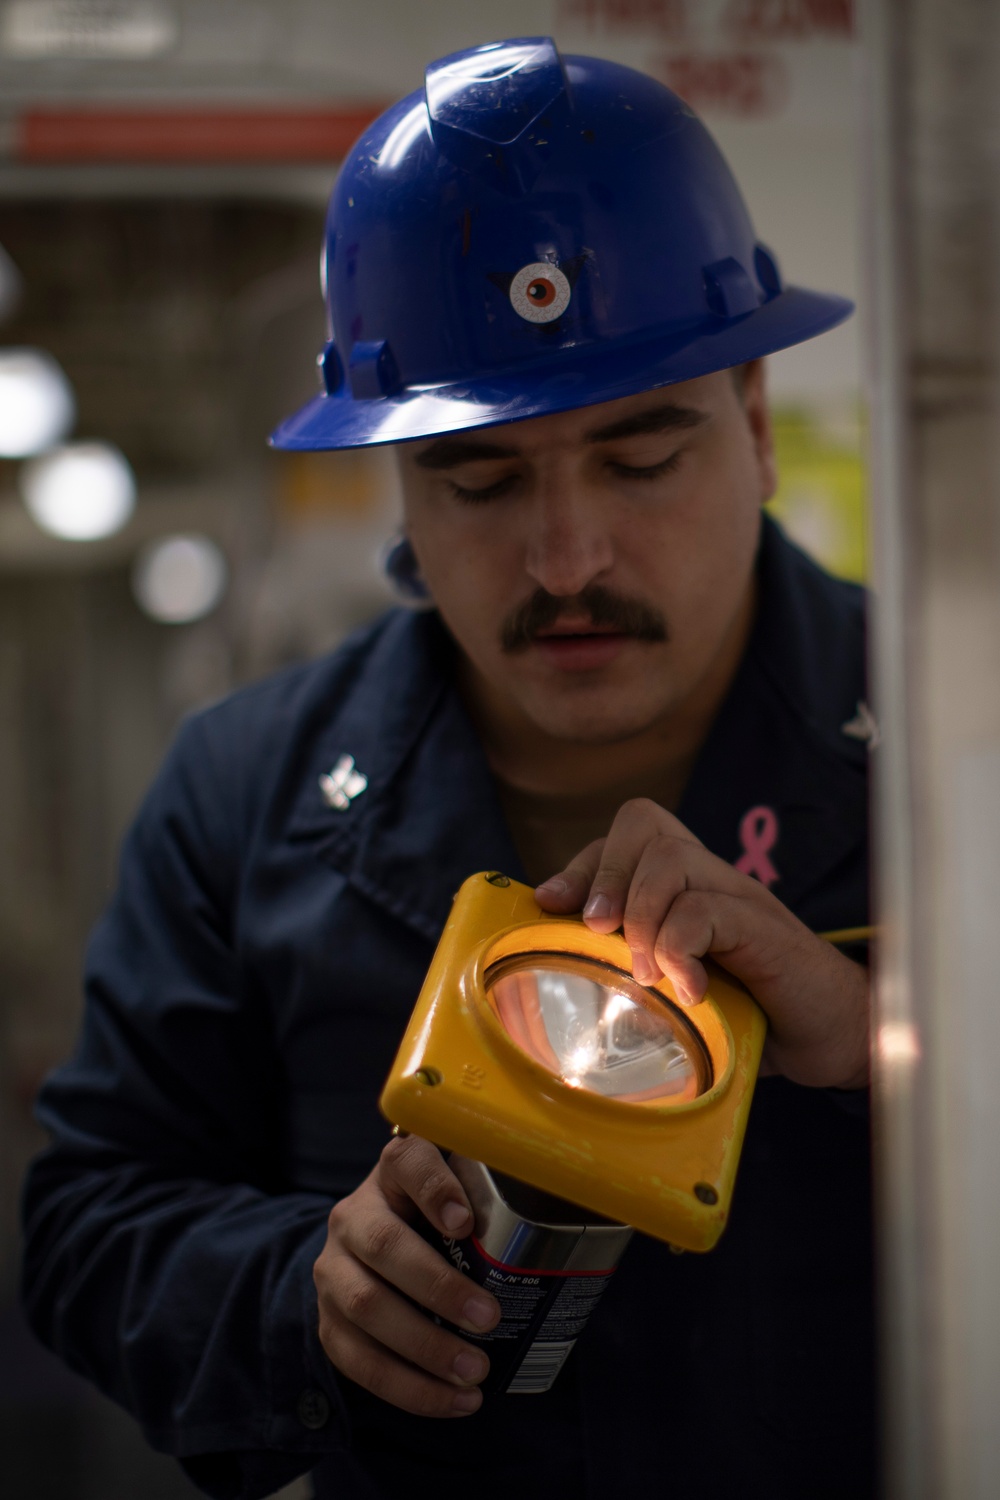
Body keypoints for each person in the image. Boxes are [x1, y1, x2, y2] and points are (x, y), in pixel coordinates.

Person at [21, 37, 876, 1500]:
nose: (566, 558)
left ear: (751, 425)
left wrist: (889, 1055)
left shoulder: (954, 755)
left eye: (642, 456)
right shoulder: (243, 792)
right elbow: (89, 1225)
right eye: (480, 479)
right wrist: (302, 1293)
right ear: (398, 480)